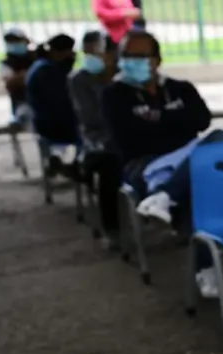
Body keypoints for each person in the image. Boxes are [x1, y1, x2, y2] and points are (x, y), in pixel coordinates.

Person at [102, 30, 223, 297]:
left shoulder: (180, 88)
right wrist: (174, 119)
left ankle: (166, 196)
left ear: (157, 59)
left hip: (188, 158)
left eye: (140, 56)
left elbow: (202, 120)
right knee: (201, 188)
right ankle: (205, 267)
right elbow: (129, 140)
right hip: (144, 165)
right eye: (126, 55)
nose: (131, 61)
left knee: (221, 138)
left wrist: (156, 120)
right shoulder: (114, 95)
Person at [69, 32, 121, 245]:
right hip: (97, 138)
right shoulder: (78, 80)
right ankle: (112, 228)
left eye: (97, 52)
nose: (92, 57)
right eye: (87, 52)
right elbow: (90, 118)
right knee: (109, 162)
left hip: (125, 134)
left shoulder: (123, 76)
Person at [26, 34, 80, 147]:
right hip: (53, 124)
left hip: (50, 120)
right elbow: (62, 100)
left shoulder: (44, 66)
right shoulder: (47, 71)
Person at [0, 28, 34, 122]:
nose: (14, 44)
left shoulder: (35, 57)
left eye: (17, 41)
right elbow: (9, 83)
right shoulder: (7, 63)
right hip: (22, 102)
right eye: (11, 42)